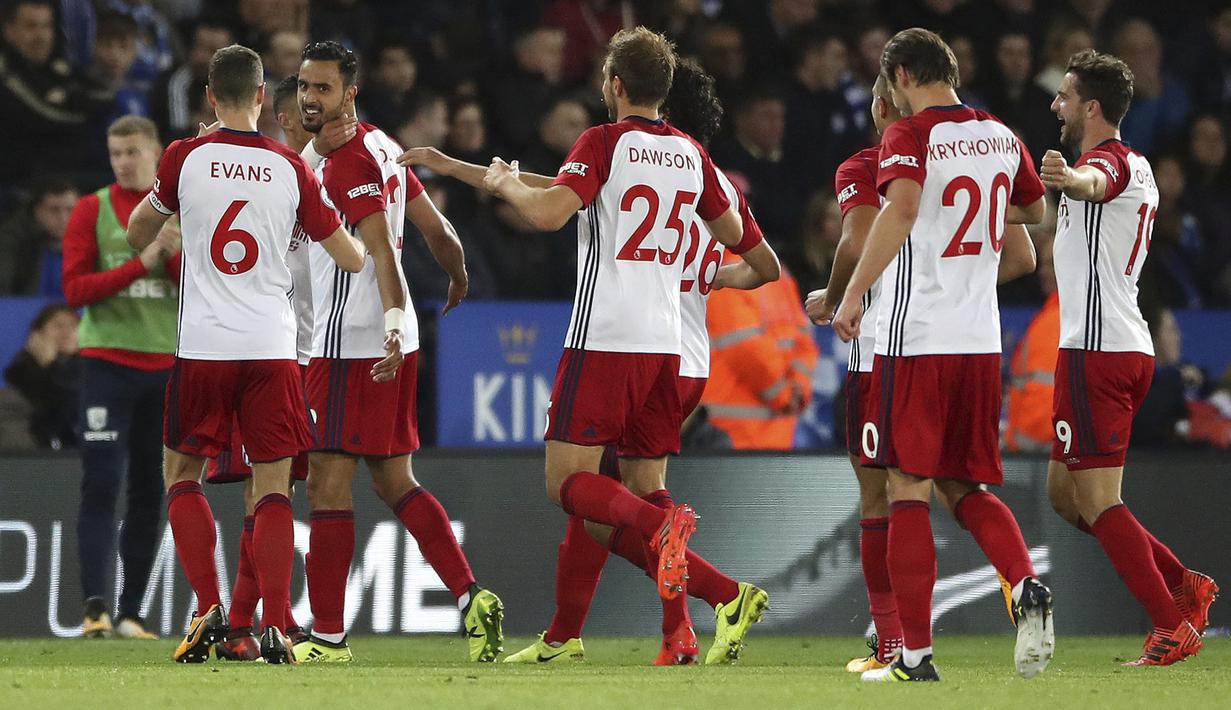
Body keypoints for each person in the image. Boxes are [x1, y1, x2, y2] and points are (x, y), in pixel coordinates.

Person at [481, 26, 772, 662]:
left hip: (605, 336)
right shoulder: (694, 157)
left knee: (567, 485)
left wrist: (505, 186)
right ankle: (679, 632)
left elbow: (550, 214)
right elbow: (764, 262)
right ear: (663, 91)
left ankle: (669, 539)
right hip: (668, 345)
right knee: (638, 485)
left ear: (614, 86)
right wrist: (708, 273)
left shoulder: (604, 141)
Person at [124, 43, 365, 665]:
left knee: (181, 474)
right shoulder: (291, 168)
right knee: (273, 485)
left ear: (210, 97)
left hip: (203, 344)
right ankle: (278, 625)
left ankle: (210, 608)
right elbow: (350, 256)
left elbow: (136, 236)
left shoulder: (184, 156)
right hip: (273, 348)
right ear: (263, 97)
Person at [832, 28, 1053, 682]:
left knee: (907, 486)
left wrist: (848, 298)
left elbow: (897, 212)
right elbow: (1032, 218)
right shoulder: (999, 134)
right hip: (978, 341)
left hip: (917, 336)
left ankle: (915, 656)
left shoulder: (907, 135)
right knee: (967, 484)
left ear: (899, 75)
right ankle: (1024, 585)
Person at [291, 41, 504, 664]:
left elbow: (382, 248)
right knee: (393, 478)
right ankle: (470, 596)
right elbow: (437, 229)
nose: (310, 97)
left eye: (323, 88)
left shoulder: (350, 161)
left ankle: (327, 635)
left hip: (351, 343)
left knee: (328, 483)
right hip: (393, 339)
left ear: (349, 93)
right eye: (305, 86)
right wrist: (458, 275)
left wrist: (387, 320)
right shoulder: (381, 147)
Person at [1040, 49, 1217, 666]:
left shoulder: (1109, 164)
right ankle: (1183, 583)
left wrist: (1071, 180)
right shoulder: (1127, 166)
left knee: (1098, 501)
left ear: (1091, 107)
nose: (1054, 105)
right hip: (1104, 344)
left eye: (1063, 96)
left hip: (1100, 350)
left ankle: (1172, 623)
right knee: (1066, 496)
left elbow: (1094, 184)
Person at [204, 75, 319, 661]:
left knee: (266, 493)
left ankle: (246, 622)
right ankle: (259, 621)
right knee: (266, 492)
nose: (303, 129)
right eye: (296, 121)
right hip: (277, 355)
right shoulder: (291, 182)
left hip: (273, 351)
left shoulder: (286, 181)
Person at [61, 115, 180, 641]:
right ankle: (94, 609)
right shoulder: (92, 210)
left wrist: (174, 259)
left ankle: (132, 613)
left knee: (150, 490)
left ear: (156, 153)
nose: (124, 162)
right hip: (106, 363)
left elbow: (199, 288)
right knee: (101, 483)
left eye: (132, 152)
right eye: (116, 154)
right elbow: (76, 291)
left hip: (164, 366)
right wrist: (145, 260)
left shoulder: (180, 212)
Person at [3, 303, 79, 449]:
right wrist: (48, 364)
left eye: (73, 326)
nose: (66, 331)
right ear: (37, 334)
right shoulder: (22, 368)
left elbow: (72, 402)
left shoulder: (91, 369)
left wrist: (49, 364)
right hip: (32, 445)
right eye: (58, 325)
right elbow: (45, 403)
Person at [0, 178, 79, 296]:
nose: (63, 218)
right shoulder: (12, 238)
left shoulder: (94, 238)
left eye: (70, 210)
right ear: (37, 211)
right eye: (54, 210)